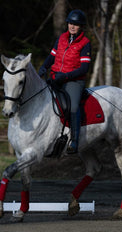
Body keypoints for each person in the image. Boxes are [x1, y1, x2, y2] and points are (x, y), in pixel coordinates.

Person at [38, 9, 91, 154]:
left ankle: (74, 141)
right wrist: (43, 67)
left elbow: (84, 68)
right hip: (56, 77)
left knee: (73, 107)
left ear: (81, 27)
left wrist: (66, 77)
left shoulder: (85, 43)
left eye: (76, 24)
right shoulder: (61, 38)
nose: (72, 26)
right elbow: (52, 56)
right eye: (70, 23)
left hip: (74, 81)